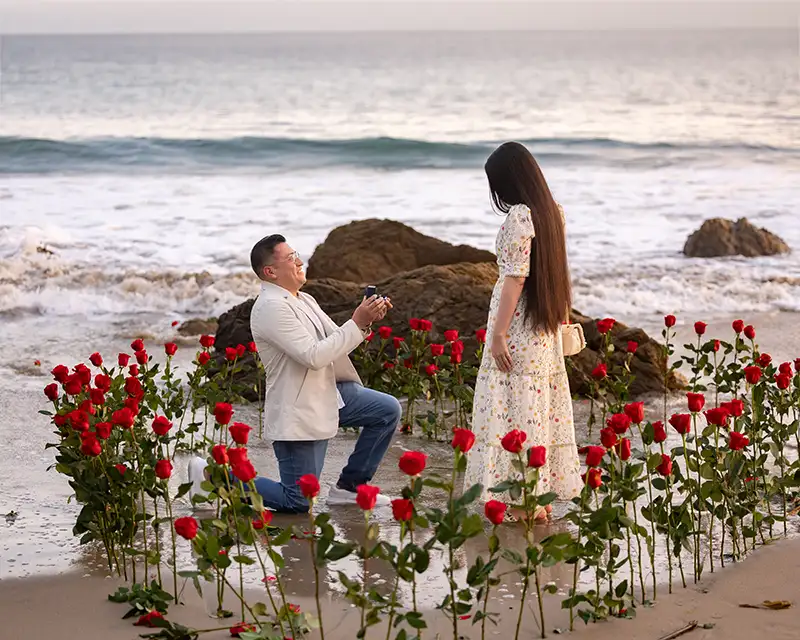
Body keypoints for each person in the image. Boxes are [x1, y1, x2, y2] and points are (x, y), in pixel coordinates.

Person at [189, 234, 401, 513]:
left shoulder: (304, 299)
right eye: (291, 258)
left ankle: (349, 488)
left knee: (386, 410)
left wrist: (365, 321)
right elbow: (314, 356)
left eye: (296, 254)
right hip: (300, 406)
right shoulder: (271, 308)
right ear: (270, 271)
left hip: (331, 393)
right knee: (297, 501)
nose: (300, 261)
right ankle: (210, 475)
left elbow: (336, 340)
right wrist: (356, 322)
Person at [463, 141, 582, 523]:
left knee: (513, 409)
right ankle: (538, 498)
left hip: (517, 324)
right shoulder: (552, 212)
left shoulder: (519, 216)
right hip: (542, 326)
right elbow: (556, 272)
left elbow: (516, 278)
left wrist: (498, 334)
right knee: (536, 411)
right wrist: (561, 318)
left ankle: (521, 501)